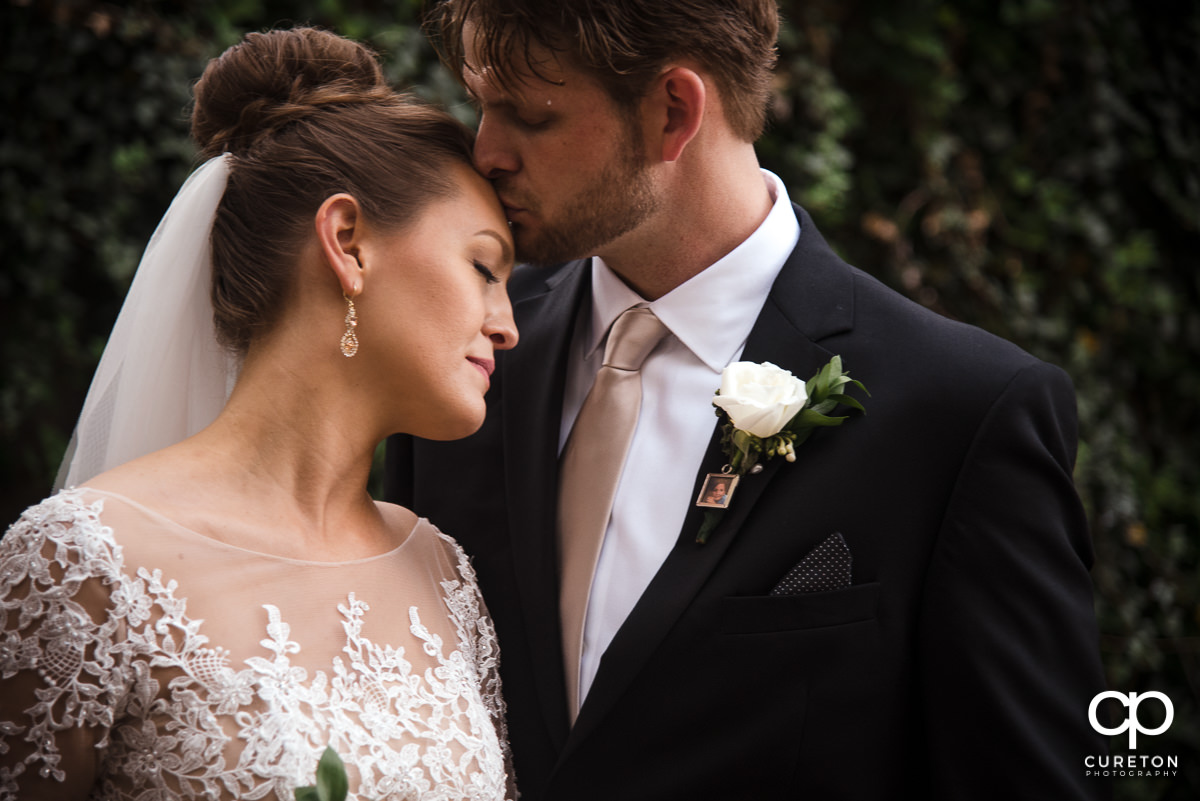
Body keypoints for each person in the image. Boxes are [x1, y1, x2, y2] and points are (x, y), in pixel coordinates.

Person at [386, 2, 1111, 799]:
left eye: (530, 115)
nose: (485, 151)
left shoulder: (960, 413)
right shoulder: (455, 353)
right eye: (482, 105)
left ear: (675, 110)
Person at [0, 27, 518, 801]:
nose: (509, 323)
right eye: (483, 267)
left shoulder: (441, 572)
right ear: (348, 243)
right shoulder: (81, 562)